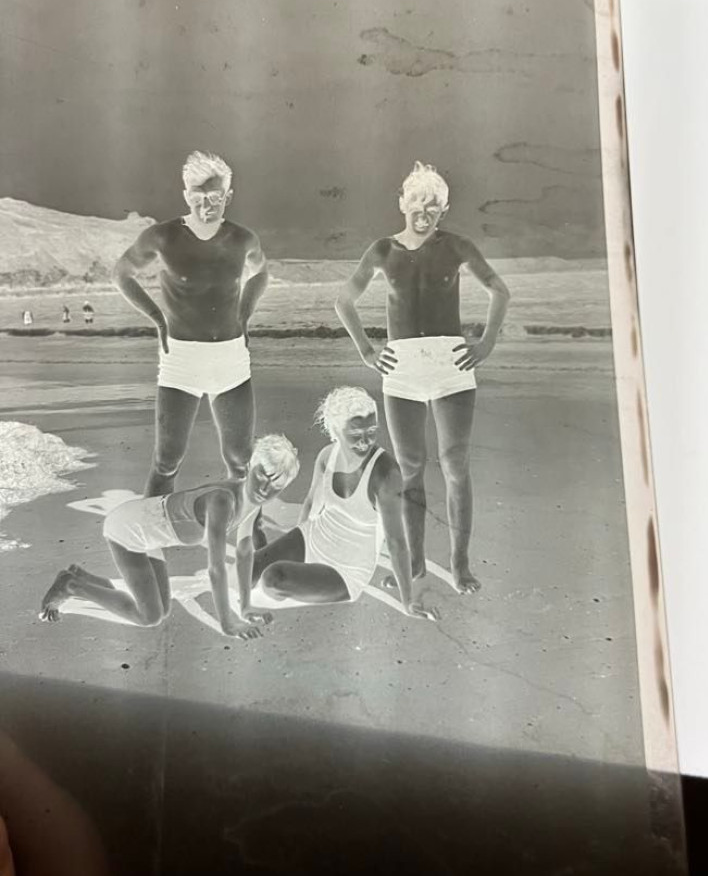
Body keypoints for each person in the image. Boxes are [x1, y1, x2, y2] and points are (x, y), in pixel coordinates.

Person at [335, 161, 510, 594]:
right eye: (417, 202)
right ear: (402, 203)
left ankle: (459, 563)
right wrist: (366, 349)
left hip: (451, 366)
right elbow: (344, 300)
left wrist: (486, 344)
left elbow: (499, 290)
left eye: (433, 205)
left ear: (443, 209)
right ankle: (414, 563)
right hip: (402, 370)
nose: (424, 211)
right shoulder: (382, 250)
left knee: (454, 464)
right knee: (411, 468)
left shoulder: (457, 247)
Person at [113, 151, 269, 496]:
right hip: (181, 359)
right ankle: (151, 540)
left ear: (228, 196)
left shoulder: (243, 239)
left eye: (214, 198)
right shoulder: (163, 237)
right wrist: (156, 317)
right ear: (185, 195)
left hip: (230, 357)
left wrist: (245, 311)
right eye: (196, 197)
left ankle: (245, 538)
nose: (205, 206)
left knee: (241, 460)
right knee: (167, 460)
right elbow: (121, 273)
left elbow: (261, 272)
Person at [39, 434, 299, 640]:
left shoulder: (253, 502)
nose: (265, 489)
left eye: (276, 484)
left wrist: (244, 608)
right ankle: (72, 586)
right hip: (127, 530)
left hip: (149, 536)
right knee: (149, 616)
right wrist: (227, 622)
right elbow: (216, 568)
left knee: (163, 610)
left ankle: (80, 576)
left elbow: (243, 554)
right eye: (262, 476)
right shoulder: (223, 501)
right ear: (251, 466)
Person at [249, 387, 437, 620]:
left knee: (273, 579)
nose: (365, 440)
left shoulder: (385, 473)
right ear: (335, 430)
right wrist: (294, 547)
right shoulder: (327, 455)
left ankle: (299, 581)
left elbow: (397, 543)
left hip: (346, 570)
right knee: (247, 571)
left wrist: (409, 601)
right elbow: (310, 504)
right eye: (356, 432)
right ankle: (300, 575)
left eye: (371, 430)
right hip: (315, 538)